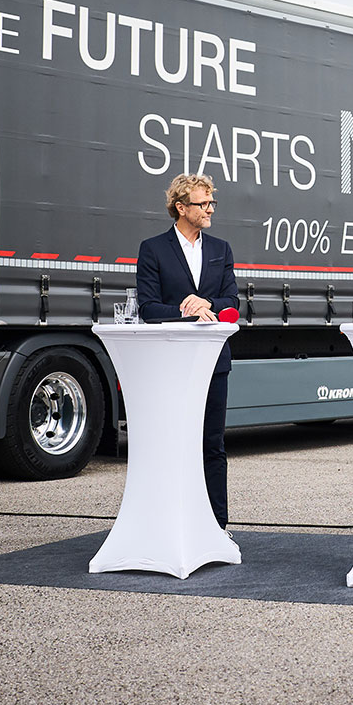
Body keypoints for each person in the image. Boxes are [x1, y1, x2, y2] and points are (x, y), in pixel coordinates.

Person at [134, 173, 240, 528]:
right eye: (202, 203)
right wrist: (185, 309)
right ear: (180, 208)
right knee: (174, 445)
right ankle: (172, 524)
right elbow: (148, 309)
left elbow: (230, 303)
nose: (210, 209)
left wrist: (205, 302)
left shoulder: (221, 249)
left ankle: (218, 527)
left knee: (213, 445)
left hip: (214, 363)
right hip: (171, 364)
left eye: (212, 202)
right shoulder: (153, 249)